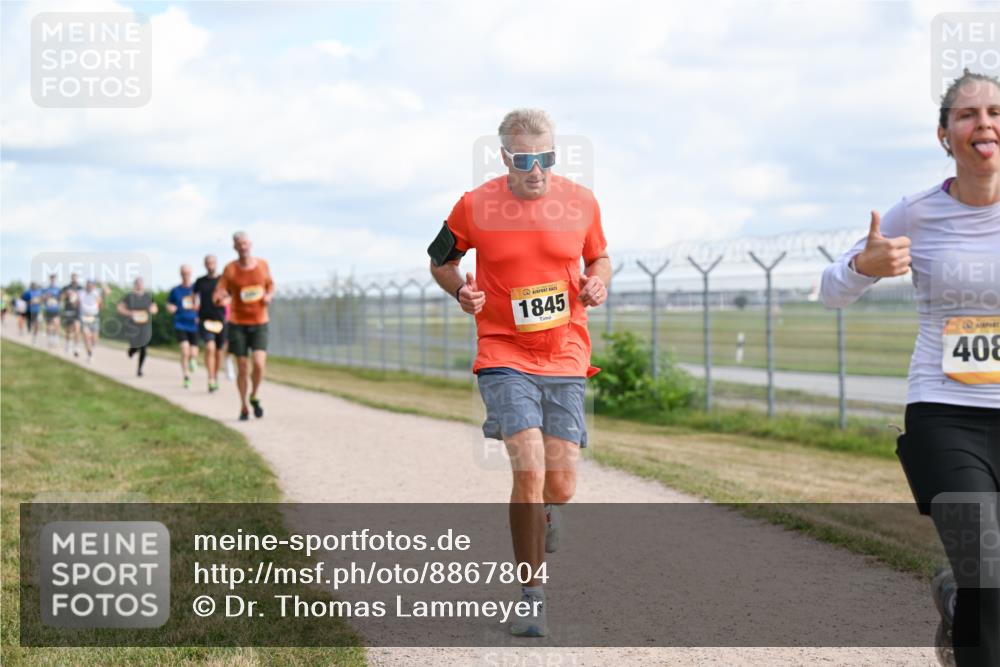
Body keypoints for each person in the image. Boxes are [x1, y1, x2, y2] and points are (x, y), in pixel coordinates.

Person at [821, 70, 1000, 667]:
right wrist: (866, 266)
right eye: (968, 114)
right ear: (945, 134)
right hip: (945, 415)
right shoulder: (917, 214)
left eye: (995, 111)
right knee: (988, 569)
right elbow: (831, 290)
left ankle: (955, 603)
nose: (984, 124)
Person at [428, 109, 611, 637]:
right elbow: (440, 260)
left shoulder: (580, 201)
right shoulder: (474, 205)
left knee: (562, 484)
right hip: (503, 350)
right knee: (528, 465)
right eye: (526, 159)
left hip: (566, 352)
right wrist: (460, 289)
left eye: (547, 158)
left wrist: (598, 282)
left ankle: (550, 514)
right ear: (506, 156)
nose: (538, 170)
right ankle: (532, 595)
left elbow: (599, 259)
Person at [214, 232, 274, 420]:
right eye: (239, 244)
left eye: (245, 243)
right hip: (238, 323)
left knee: (258, 363)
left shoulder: (262, 265)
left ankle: (254, 394)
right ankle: (243, 406)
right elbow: (220, 291)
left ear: (251, 244)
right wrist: (220, 299)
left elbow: (270, 285)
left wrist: (269, 296)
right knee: (241, 365)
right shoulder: (230, 269)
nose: (243, 247)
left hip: (260, 321)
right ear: (234, 247)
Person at [193, 255, 228, 392]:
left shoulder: (223, 280)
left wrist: (225, 301)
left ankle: (215, 375)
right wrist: (194, 304)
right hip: (205, 319)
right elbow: (193, 296)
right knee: (209, 347)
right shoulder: (200, 281)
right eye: (208, 263)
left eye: (212, 262)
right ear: (204, 264)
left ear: (216, 263)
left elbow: (230, 296)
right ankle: (210, 378)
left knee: (219, 352)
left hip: (220, 319)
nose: (210, 265)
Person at [166, 264, 200, 388]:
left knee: (193, 353)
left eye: (187, 273)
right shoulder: (175, 290)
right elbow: (169, 304)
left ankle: (193, 360)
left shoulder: (196, 289)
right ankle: (186, 376)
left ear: (191, 274)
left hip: (194, 324)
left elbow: (202, 304)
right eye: (183, 273)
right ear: (180, 274)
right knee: (184, 350)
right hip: (180, 323)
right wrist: (171, 308)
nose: (185, 275)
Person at [116, 277, 158, 377]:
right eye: (137, 284)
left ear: (143, 285)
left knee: (144, 346)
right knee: (135, 344)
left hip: (145, 325)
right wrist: (129, 313)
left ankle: (140, 369)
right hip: (132, 325)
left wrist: (152, 310)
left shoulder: (148, 296)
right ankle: (132, 350)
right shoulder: (129, 296)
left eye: (141, 283)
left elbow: (155, 308)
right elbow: (119, 308)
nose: (139, 285)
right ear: (135, 285)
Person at [78, 280, 105, 363]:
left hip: (94, 317)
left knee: (94, 339)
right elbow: (76, 302)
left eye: (91, 285)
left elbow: (106, 292)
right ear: (86, 286)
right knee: (87, 335)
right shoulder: (81, 293)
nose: (89, 287)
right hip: (84, 317)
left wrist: (102, 283)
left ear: (93, 286)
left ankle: (90, 348)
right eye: (88, 285)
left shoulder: (97, 293)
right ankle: (90, 354)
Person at [59, 273, 83, 357]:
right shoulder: (66, 288)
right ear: (71, 278)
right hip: (68, 310)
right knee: (68, 330)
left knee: (77, 328)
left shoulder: (80, 288)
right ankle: (67, 344)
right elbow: (61, 298)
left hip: (77, 311)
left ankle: (76, 347)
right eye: (73, 278)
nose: (74, 279)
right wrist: (66, 294)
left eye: (75, 278)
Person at [41, 273, 61, 349]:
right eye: (51, 278)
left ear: (55, 279)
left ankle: (56, 338)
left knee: (57, 324)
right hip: (48, 309)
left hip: (56, 309)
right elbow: (42, 298)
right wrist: (46, 297)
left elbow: (61, 298)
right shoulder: (46, 289)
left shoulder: (58, 289)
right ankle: (50, 339)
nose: (53, 280)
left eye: (54, 278)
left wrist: (57, 301)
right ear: (50, 279)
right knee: (49, 326)